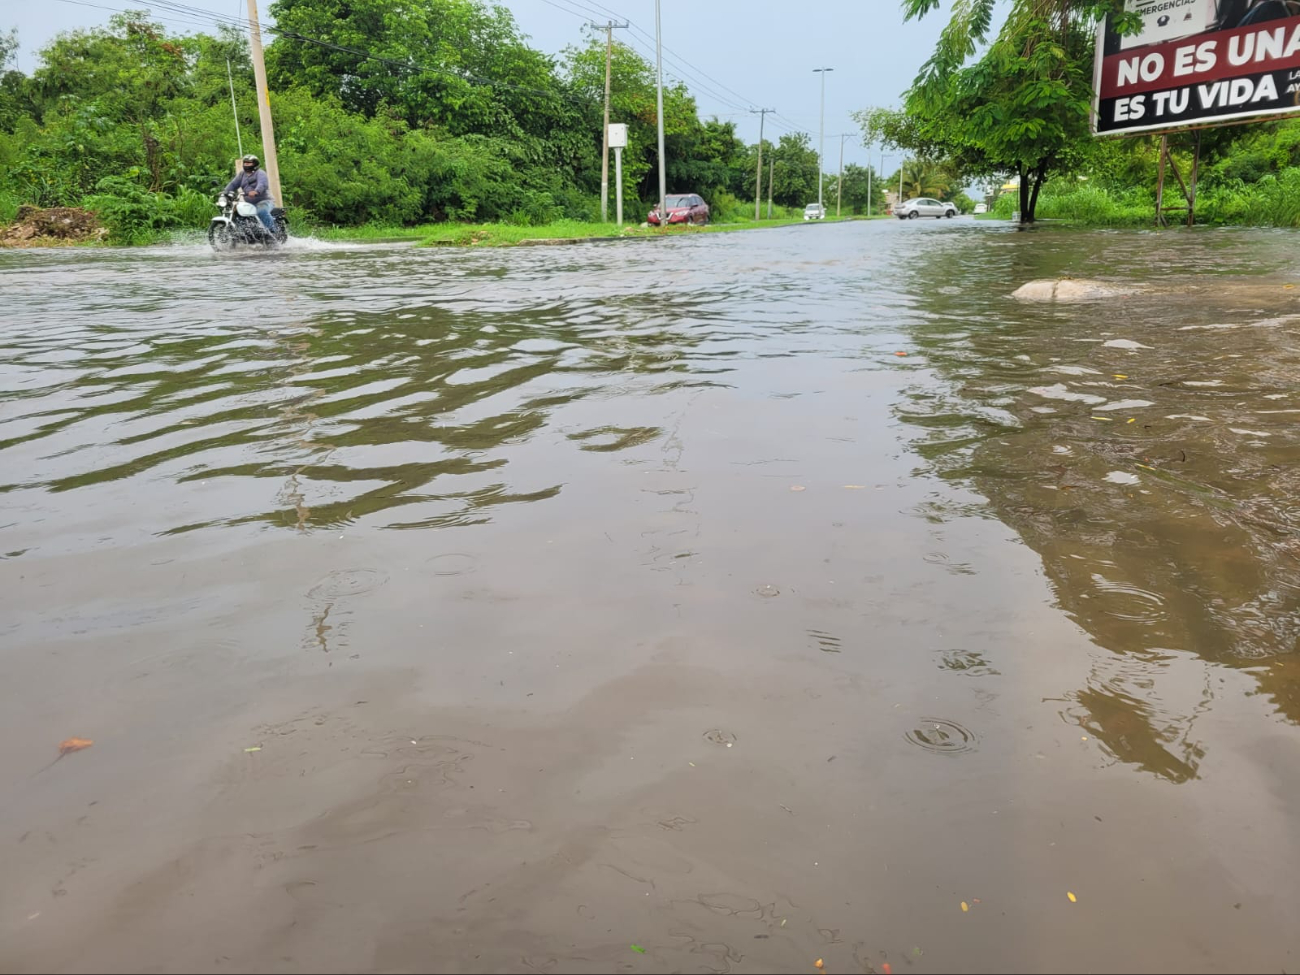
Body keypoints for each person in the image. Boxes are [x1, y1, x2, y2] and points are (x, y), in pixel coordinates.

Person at [224, 154, 276, 232]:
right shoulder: (242, 174)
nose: (246, 165)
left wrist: (256, 191)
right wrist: (225, 192)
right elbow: (233, 184)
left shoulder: (260, 173)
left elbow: (262, 184)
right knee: (237, 213)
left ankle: (273, 232)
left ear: (255, 164)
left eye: (249, 163)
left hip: (264, 201)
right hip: (250, 204)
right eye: (245, 163)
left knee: (261, 211)